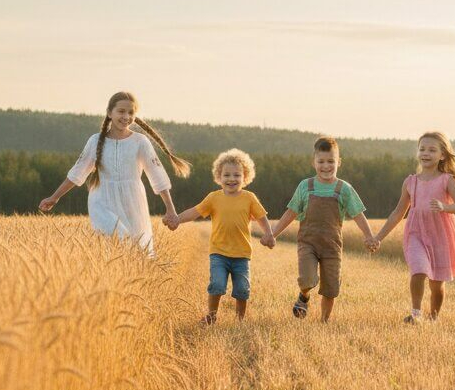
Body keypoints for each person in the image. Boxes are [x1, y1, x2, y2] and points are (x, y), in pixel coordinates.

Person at [39, 91, 190, 256]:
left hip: (133, 202)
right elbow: (77, 173)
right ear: (109, 112)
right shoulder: (95, 141)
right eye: (121, 111)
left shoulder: (140, 142)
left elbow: (157, 175)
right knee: (118, 239)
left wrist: (170, 209)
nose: (126, 116)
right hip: (101, 201)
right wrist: (55, 197)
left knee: (137, 251)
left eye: (131, 112)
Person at [373, 132, 455, 323]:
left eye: (432, 150)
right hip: (416, 233)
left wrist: (445, 207)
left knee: (436, 284)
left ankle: (433, 318)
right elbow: (398, 213)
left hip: (440, 235)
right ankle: (416, 315)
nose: (426, 153)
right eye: (422, 149)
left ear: (442, 155)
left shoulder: (446, 180)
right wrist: (378, 237)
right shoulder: (410, 182)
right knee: (418, 271)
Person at [269, 136, 375, 323]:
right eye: (321, 161)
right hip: (308, 243)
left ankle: (323, 322)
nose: (326, 166)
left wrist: (369, 236)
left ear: (338, 162)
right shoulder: (305, 186)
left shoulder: (344, 189)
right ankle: (304, 295)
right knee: (307, 279)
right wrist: (273, 234)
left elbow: (358, 214)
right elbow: (291, 212)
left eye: (331, 161)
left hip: (332, 246)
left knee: (331, 288)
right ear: (314, 162)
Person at [167, 149, 272, 324]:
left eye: (237, 175)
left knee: (242, 290)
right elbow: (195, 212)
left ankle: (240, 321)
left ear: (245, 177)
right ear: (219, 176)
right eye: (227, 175)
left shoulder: (249, 198)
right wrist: (177, 219)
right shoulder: (213, 198)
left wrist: (268, 234)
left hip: (242, 254)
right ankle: (211, 315)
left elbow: (261, 217)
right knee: (216, 285)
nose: (231, 179)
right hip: (219, 253)